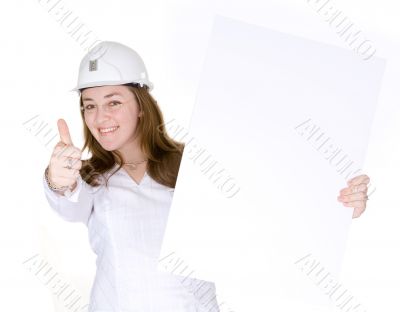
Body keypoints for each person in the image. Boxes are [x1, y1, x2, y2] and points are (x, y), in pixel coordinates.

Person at [42, 41, 370, 311]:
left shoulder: (195, 164)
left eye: (113, 101)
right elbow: (67, 204)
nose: (100, 117)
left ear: (141, 105)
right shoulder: (89, 177)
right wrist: (58, 179)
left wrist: (339, 204)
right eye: (89, 106)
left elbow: (272, 205)